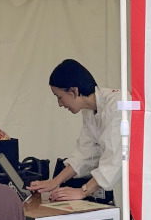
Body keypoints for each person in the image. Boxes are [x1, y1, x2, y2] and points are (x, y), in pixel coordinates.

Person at [29, 59, 120, 202]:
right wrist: (54, 182)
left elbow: (116, 158)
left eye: (60, 97)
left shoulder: (118, 105)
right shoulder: (89, 111)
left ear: (74, 91)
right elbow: (85, 154)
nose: (60, 104)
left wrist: (83, 191)